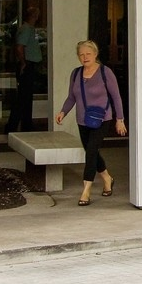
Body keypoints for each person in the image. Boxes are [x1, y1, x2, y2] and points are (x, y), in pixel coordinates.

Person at [53, 39, 126, 206]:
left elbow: (116, 97)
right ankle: (107, 178)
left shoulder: (105, 72)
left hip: (102, 119)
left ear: (95, 54)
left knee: (91, 151)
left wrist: (120, 120)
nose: (85, 57)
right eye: (81, 55)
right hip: (82, 120)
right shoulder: (76, 73)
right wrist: (63, 112)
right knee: (92, 152)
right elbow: (71, 97)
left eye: (88, 54)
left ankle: (86, 190)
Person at [6, 7, 42, 133]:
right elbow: (19, 47)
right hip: (27, 65)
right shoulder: (26, 29)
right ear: (34, 16)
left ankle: (27, 125)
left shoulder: (30, 29)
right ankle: (12, 126)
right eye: (37, 14)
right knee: (23, 97)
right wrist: (23, 63)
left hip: (29, 64)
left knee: (26, 97)